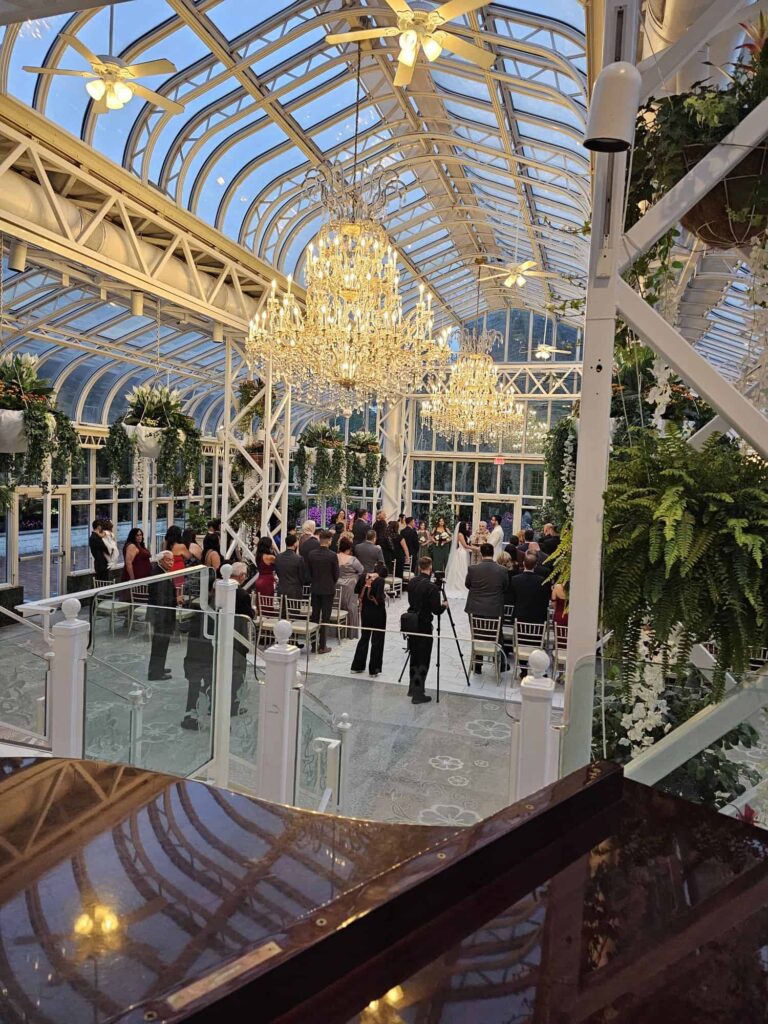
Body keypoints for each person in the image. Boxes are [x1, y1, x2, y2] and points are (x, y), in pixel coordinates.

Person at [404, 556, 446, 704]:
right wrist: (444, 606)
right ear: (430, 567)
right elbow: (436, 610)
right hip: (423, 625)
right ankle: (418, 693)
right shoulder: (431, 587)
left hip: (411, 623)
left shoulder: (412, 581)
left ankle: (412, 688)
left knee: (414, 657)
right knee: (423, 659)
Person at [182, 580, 214, 731]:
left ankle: (192, 716)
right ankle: (197, 716)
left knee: (196, 687)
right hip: (203, 658)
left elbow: (184, 628)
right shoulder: (213, 612)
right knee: (206, 686)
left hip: (195, 657)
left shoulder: (197, 611)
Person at [350, 561, 387, 676]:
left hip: (365, 611)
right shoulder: (380, 580)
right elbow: (379, 598)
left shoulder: (363, 577)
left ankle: (358, 666)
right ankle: (374, 669)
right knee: (377, 640)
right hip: (378, 612)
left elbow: (356, 590)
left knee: (364, 637)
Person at [147, 551, 179, 681]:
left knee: (162, 643)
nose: (171, 562)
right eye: (168, 560)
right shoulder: (158, 574)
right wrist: (176, 600)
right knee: (159, 643)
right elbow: (161, 599)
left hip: (162, 614)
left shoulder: (162, 571)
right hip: (161, 615)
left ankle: (159, 667)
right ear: (160, 561)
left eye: (172, 560)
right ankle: (155, 672)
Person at [229, 562, 255, 715]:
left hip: (223, 633)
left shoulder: (218, 587)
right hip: (238, 635)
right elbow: (248, 615)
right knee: (238, 673)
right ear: (242, 576)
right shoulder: (242, 594)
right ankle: (234, 706)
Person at [307, 530, 339, 654]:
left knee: (314, 616)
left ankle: (313, 644)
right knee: (325, 618)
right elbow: (336, 574)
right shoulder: (332, 555)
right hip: (328, 589)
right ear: (329, 541)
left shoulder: (311, 554)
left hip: (315, 589)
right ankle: (322, 646)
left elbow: (309, 573)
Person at [508, 552, 552, 624]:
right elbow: (545, 598)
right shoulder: (541, 580)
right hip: (537, 617)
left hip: (519, 616)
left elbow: (512, 597)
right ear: (535, 565)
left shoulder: (515, 579)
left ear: (523, 563)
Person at [337, 536, 364, 638]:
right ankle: (350, 633)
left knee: (338, 606)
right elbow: (361, 570)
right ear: (349, 549)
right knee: (351, 607)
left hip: (337, 585)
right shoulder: (353, 560)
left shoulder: (335, 557)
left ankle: (337, 632)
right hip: (350, 586)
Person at [444, 520, 473, 598]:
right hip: (461, 553)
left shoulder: (464, 534)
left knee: (464, 569)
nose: (468, 527)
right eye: (466, 525)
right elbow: (465, 545)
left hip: (464, 552)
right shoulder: (460, 534)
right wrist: (475, 548)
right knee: (461, 569)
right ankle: (460, 585)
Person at [275, 533, 306, 602]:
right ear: (295, 544)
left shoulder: (278, 557)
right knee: (294, 612)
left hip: (281, 589)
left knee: (282, 612)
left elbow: (277, 572)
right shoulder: (299, 558)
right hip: (295, 591)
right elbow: (302, 576)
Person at [253, 535, 277, 604]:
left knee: (261, 604)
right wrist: (274, 549)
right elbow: (280, 560)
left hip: (260, 579)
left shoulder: (258, 556)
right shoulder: (270, 557)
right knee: (268, 604)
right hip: (267, 581)